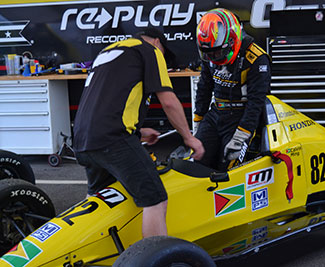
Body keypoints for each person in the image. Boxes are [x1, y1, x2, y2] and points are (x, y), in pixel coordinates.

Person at [73, 27, 204, 238]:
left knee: (101, 201)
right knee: (156, 198)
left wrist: (140, 132)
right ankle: (154, 258)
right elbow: (169, 102)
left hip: (83, 139)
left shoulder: (109, 52)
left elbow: (107, 103)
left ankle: (87, 250)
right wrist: (190, 138)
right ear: (157, 43)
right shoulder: (149, 50)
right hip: (112, 140)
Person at [194, 8, 271, 170]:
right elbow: (204, 88)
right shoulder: (209, 55)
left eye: (217, 52)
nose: (213, 57)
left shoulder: (256, 58)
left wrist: (242, 135)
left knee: (229, 166)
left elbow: (256, 102)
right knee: (197, 158)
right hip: (216, 113)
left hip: (241, 116)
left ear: (232, 40)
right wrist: (198, 120)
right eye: (208, 53)